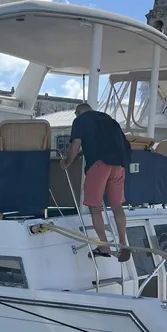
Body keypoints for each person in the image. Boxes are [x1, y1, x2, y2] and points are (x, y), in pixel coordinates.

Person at [61, 103, 132, 262]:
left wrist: (66, 162)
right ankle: (123, 243)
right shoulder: (109, 120)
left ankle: (104, 246)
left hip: (99, 166)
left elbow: (75, 145)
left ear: (78, 112)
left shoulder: (81, 120)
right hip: (119, 165)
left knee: (95, 208)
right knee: (117, 206)